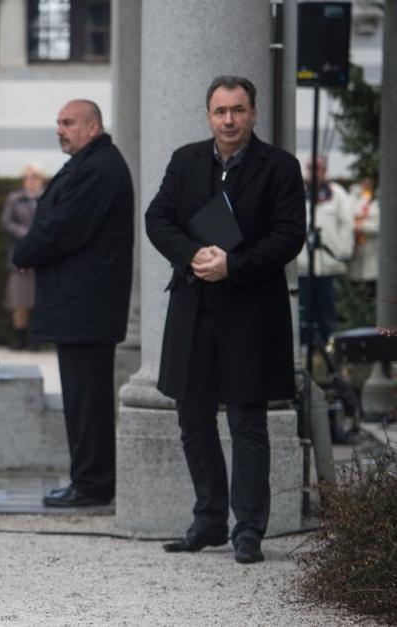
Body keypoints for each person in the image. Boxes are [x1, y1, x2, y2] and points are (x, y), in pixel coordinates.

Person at [145, 76, 306, 564]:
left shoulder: (280, 167)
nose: (229, 120)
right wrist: (193, 255)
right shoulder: (185, 160)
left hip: (250, 310)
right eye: (220, 111)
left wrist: (233, 265)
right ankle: (209, 520)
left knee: (247, 423)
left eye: (238, 110)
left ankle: (249, 529)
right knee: (193, 419)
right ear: (209, 116)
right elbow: (157, 219)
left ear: (253, 113)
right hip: (193, 307)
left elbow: (289, 236)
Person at [13, 100, 134, 508]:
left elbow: (61, 227)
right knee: (84, 399)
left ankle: (92, 484)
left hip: (86, 305)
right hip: (82, 304)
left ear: (93, 126)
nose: (60, 130)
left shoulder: (98, 168)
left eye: (68, 123)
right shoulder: (92, 164)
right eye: (58, 123)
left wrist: (25, 252)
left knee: (87, 401)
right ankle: (88, 480)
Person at [296, 155, 354, 348]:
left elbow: (346, 224)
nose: (314, 172)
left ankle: (329, 349)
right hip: (303, 265)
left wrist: (343, 251)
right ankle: (305, 349)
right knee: (304, 311)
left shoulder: (337, 193)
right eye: (310, 168)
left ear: (325, 170)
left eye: (318, 168)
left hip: (329, 265)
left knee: (327, 311)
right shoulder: (298, 191)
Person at [1, 164, 46, 350]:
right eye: (27, 177)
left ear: (41, 179)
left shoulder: (48, 197)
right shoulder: (14, 199)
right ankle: (20, 339)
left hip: (43, 256)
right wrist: (26, 234)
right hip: (19, 256)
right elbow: (7, 222)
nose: (30, 180)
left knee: (40, 300)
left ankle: (37, 339)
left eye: (34, 176)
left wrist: (39, 235)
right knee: (19, 300)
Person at [347, 177, 380, 305]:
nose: (366, 184)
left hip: (372, 253)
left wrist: (361, 226)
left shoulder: (377, 202)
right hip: (355, 253)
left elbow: (379, 226)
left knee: (372, 290)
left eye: (369, 182)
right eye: (364, 182)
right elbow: (347, 217)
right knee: (356, 294)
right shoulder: (353, 199)